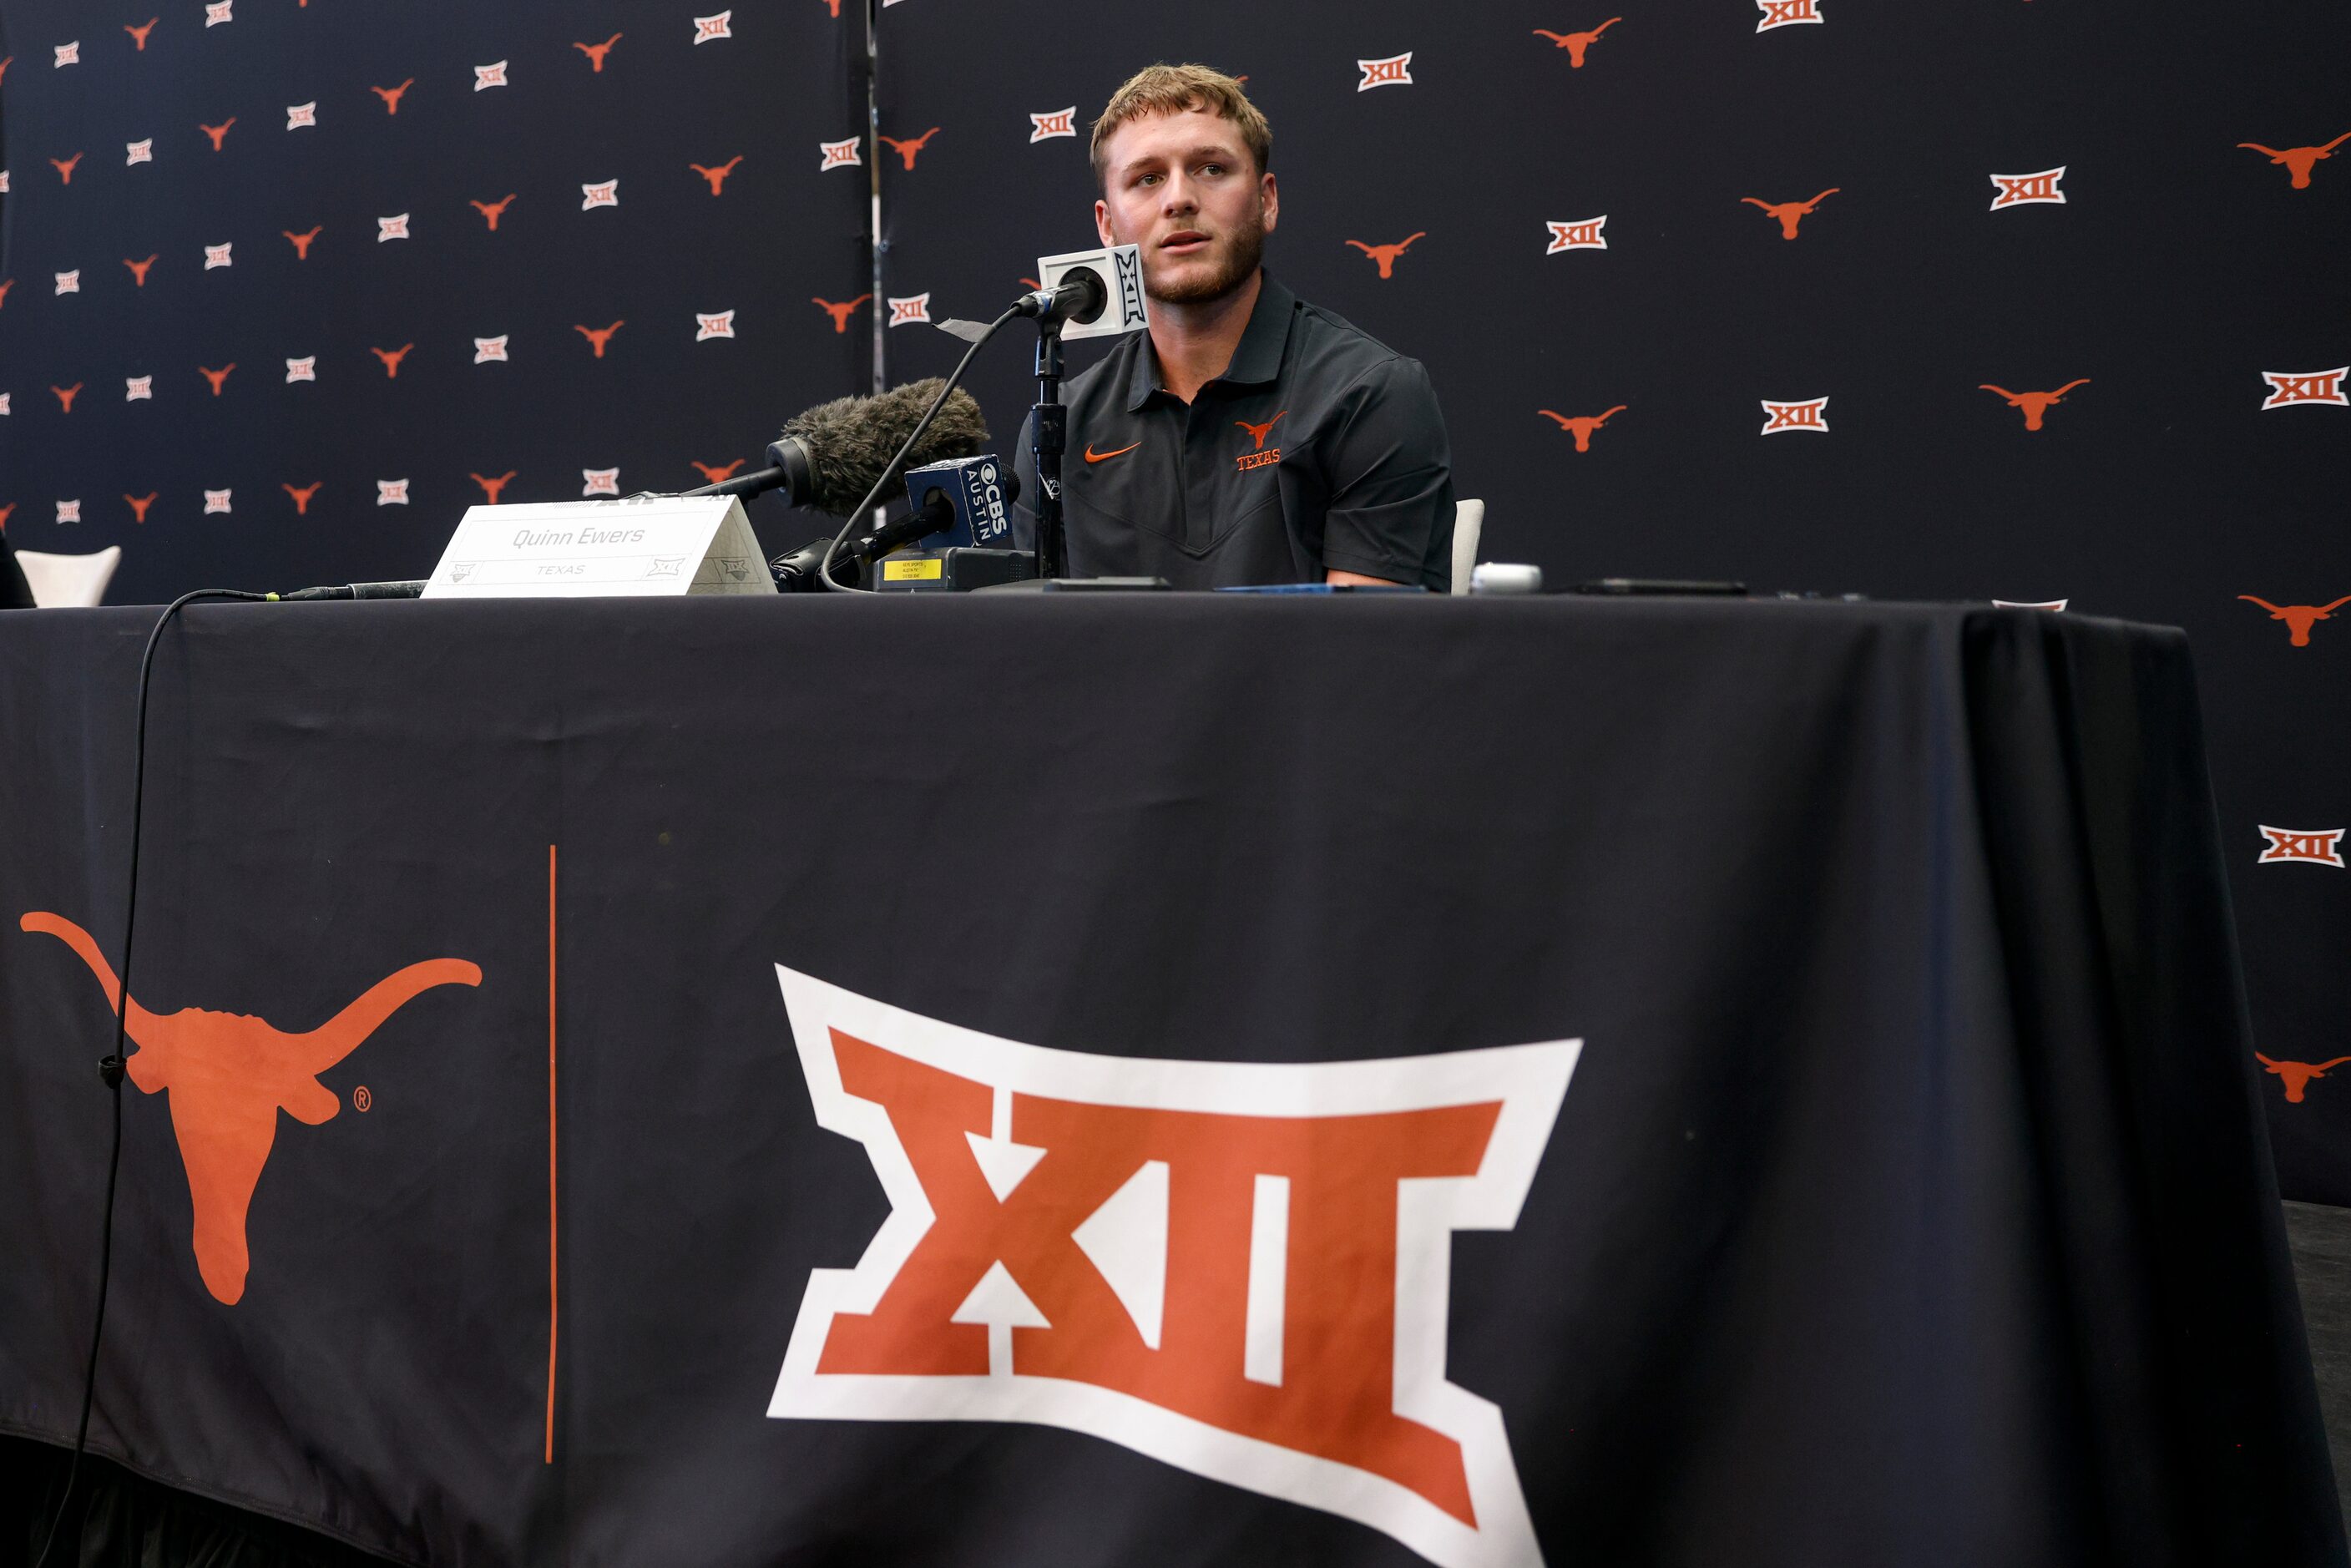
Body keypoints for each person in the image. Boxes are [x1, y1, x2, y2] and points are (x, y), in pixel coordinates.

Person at [1013, 64, 1456, 589]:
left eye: (1211, 169)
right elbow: (1044, 651)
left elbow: (1361, 654)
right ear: (1108, 227)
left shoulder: (1370, 393)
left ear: (1266, 200)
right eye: (1147, 178)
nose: (1178, 199)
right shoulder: (1059, 429)